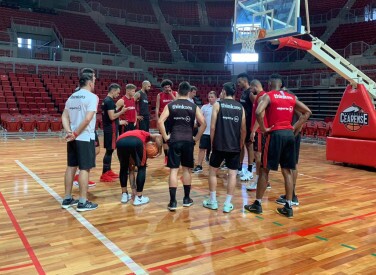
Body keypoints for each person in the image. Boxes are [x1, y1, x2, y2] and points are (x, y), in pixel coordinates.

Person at [244, 74, 311, 218]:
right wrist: (293, 128)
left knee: (264, 170)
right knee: (287, 171)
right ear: (281, 85)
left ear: (269, 84)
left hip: (275, 135)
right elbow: (307, 112)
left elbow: (258, 112)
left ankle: (257, 204)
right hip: (288, 135)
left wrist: (263, 128)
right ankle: (288, 205)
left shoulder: (268, 96)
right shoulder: (291, 97)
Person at [158, 81, 206, 211]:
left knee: (173, 170)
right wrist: (196, 138)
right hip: (188, 141)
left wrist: (166, 137)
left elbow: (160, 121)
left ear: (178, 91)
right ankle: (186, 199)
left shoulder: (171, 105)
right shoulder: (194, 106)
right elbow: (203, 124)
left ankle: (173, 202)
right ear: (189, 92)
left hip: (174, 140)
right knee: (186, 170)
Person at [203, 82, 246, 213]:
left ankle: (213, 201)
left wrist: (212, 143)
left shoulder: (218, 104)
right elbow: (243, 129)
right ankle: (227, 204)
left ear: (224, 91)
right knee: (232, 174)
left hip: (219, 145)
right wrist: (241, 144)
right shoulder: (240, 107)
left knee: (212, 172)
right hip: (234, 146)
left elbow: (212, 127)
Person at [61, 68, 99, 212]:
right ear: (89, 82)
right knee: (84, 168)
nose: (94, 83)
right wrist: (75, 133)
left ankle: (67, 198)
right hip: (83, 137)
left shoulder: (72, 97)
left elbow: (64, 116)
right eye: (94, 81)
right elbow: (88, 118)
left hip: (72, 138)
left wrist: (69, 131)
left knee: (71, 167)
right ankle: (83, 201)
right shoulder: (92, 97)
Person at [116, 130, 163, 205]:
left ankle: (124, 195)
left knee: (123, 168)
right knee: (141, 167)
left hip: (120, 141)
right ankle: (139, 198)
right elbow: (159, 136)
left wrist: (133, 190)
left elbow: (131, 170)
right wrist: (160, 151)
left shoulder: (136, 133)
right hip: (136, 141)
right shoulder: (146, 135)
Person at [276, 86, 301, 206]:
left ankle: (293, 196)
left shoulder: (291, 100)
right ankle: (291, 194)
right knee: (290, 165)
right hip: (290, 134)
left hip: (292, 135)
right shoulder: (288, 101)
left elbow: (302, 116)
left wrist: (294, 129)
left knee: (292, 165)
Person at [100, 83, 128, 182]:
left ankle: (108, 170)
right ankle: (104, 174)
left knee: (110, 151)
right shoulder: (109, 101)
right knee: (109, 151)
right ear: (112, 90)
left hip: (110, 128)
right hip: (111, 130)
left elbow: (109, 118)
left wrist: (119, 122)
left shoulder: (107, 101)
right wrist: (122, 111)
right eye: (117, 92)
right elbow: (112, 117)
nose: (118, 94)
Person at [246, 79, 267, 191]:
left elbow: (261, 115)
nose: (250, 91)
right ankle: (263, 180)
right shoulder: (261, 97)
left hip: (259, 131)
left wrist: (253, 131)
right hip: (260, 130)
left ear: (255, 86)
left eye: (251, 88)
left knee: (258, 157)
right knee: (260, 157)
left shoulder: (262, 97)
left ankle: (258, 181)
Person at [237, 73, 256, 181]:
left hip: (249, 123)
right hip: (243, 123)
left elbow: (257, 108)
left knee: (249, 146)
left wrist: (253, 126)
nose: (238, 84)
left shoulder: (250, 93)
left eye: (239, 82)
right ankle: (239, 168)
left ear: (245, 81)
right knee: (242, 144)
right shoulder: (243, 93)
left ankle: (250, 170)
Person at [192, 91, 217, 173]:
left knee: (216, 150)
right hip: (205, 132)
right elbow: (198, 117)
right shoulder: (204, 107)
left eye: (212, 97)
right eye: (209, 97)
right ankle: (199, 165)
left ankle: (214, 166)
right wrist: (196, 122)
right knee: (201, 149)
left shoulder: (219, 107)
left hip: (216, 133)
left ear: (216, 98)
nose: (210, 98)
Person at [156, 79, 177, 165]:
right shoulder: (159, 95)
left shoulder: (175, 93)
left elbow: (177, 102)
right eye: (165, 87)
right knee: (164, 138)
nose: (167, 88)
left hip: (173, 118)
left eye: (168, 87)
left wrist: (171, 93)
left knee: (174, 137)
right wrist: (157, 119)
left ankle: (173, 154)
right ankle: (166, 156)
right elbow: (157, 107)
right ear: (163, 88)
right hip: (163, 118)